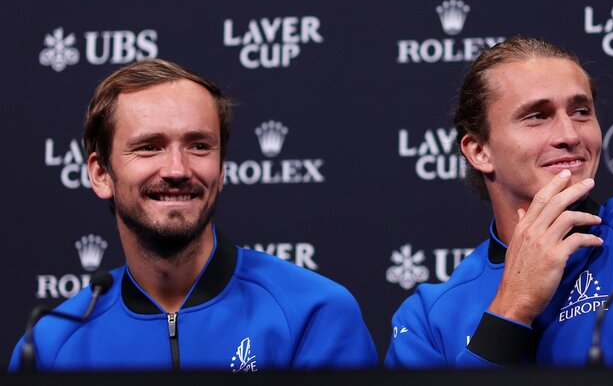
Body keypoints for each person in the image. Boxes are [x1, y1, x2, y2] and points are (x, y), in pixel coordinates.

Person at [385, 36, 613, 367]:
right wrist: (511, 310)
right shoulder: (425, 321)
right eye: (537, 117)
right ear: (479, 150)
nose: (570, 134)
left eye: (581, 112)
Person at [9, 59, 377, 371]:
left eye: (199, 146)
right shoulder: (49, 345)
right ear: (101, 174)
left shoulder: (313, 314)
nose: (177, 169)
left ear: (222, 169)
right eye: (149, 147)